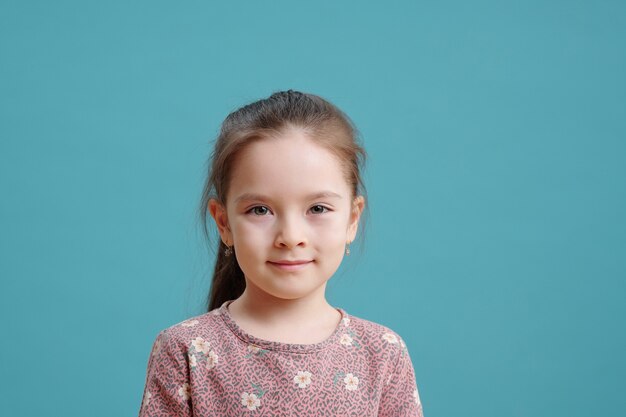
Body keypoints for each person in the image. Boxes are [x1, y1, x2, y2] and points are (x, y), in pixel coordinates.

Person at [137, 90, 424, 416]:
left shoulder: (383, 354)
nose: (290, 237)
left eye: (318, 208)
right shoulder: (186, 351)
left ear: (352, 219)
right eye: (260, 210)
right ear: (224, 222)